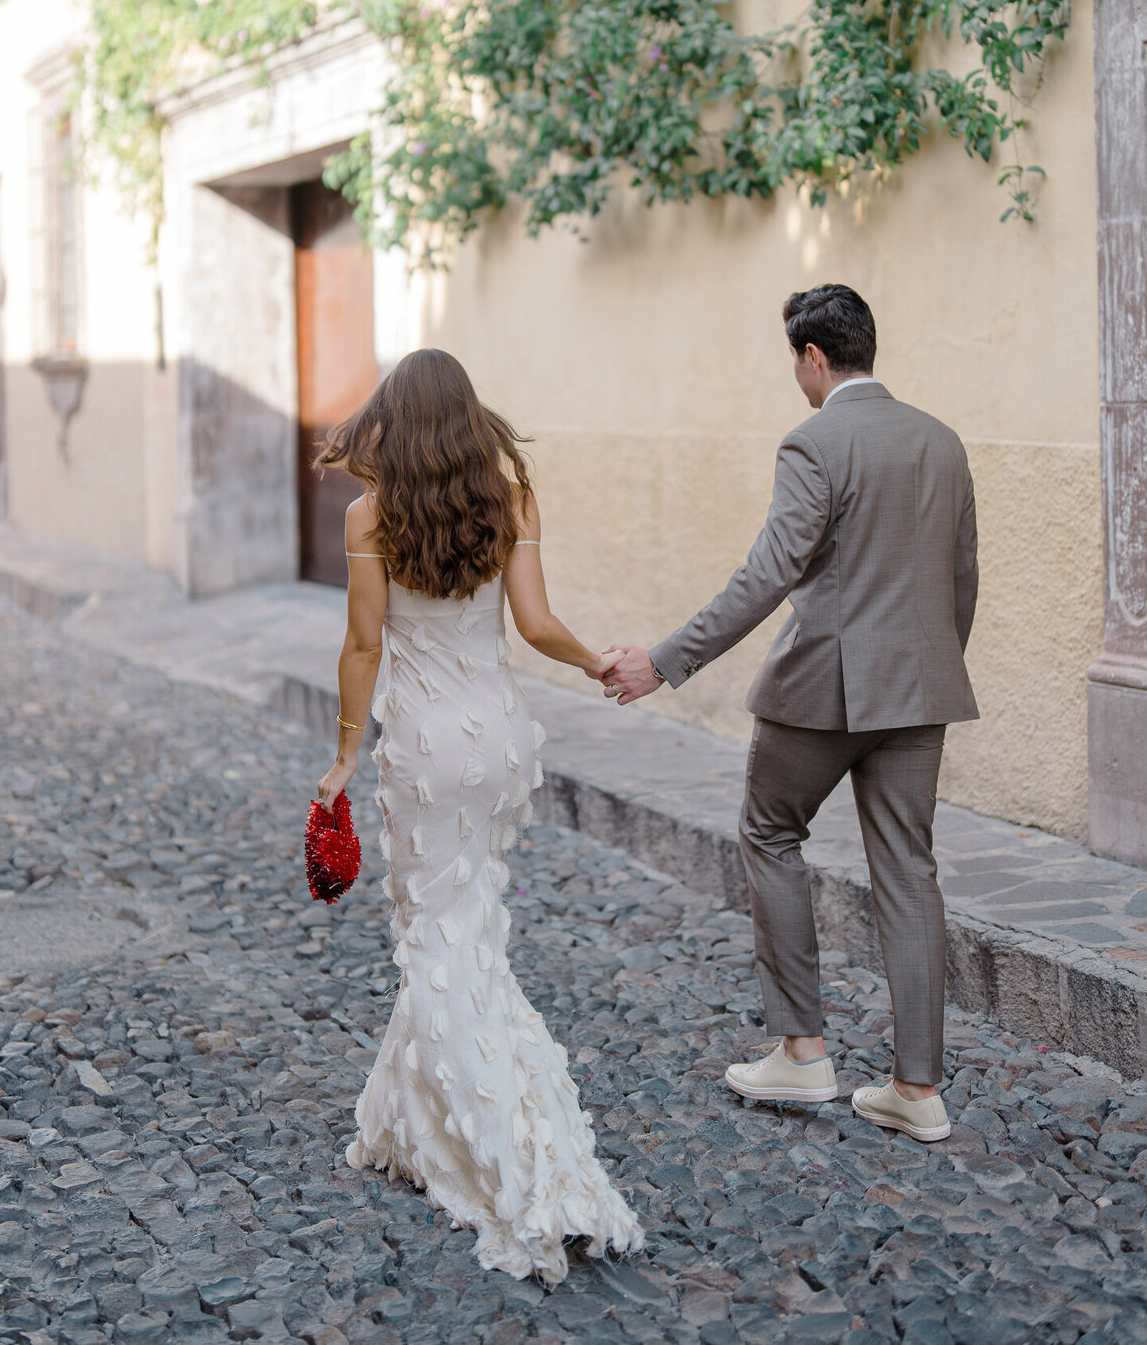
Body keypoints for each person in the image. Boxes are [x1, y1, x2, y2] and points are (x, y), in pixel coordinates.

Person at [603, 286, 979, 1145]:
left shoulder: (814, 440)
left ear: (814, 358)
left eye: (795, 363)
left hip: (826, 692)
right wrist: (929, 666)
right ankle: (917, 1091)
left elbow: (767, 575)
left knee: (770, 830)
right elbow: (962, 577)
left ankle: (803, 1053)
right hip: (922, 691)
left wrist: (664, 662)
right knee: (909, 872)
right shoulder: (941, 441)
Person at [314, 349, 644, 1286]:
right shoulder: (511, 500)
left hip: (423, 743)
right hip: (498, 738)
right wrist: (594, 663)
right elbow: (534, 625)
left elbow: (364, 642)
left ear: (392, 419)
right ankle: (410, 1119)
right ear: (467, 417)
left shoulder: (369, 514)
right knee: (463, 934)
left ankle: (515, 1159)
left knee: (436, 938)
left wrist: (344, 753)